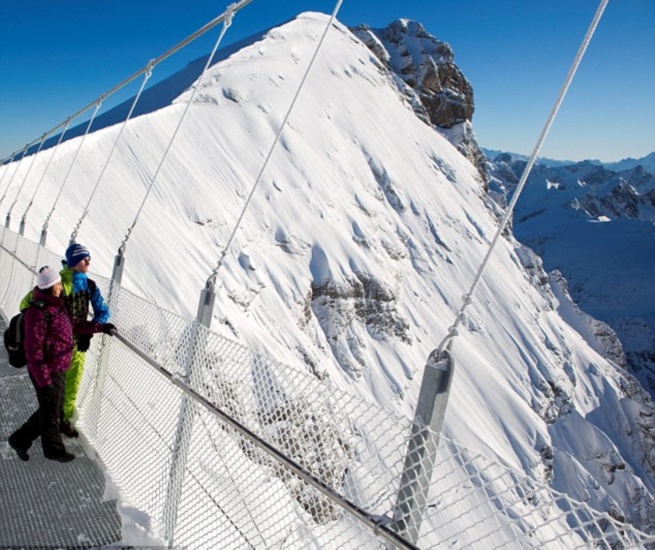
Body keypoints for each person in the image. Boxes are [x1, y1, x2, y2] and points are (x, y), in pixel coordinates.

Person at [7, 266, 114, 462]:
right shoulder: (37, 312)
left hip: (58, 367)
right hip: (46, 370)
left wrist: (100, 327)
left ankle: (19, 439)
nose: (61, 286)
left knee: (51, 407)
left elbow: (74, 325)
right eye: (57, 283)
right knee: (51, 408)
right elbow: (33, 350)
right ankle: (53, 449)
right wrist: (44, 380)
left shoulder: (57, 305)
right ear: (50, 286)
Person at [20, 242, 111, 438]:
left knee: (69, 389)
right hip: (55, 349)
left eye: (88, 258)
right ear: (73, 261)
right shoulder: (54, 282)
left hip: (76, 346)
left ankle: (62, 423)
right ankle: (45, 430)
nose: (87, 262)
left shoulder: (89, 285)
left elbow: (103, 311)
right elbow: (27, 303)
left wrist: (89, 331)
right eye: (83, 258)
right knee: (52, 392)